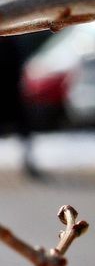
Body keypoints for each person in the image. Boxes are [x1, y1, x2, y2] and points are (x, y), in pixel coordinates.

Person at [0, 37, 39, 178]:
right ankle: (29, 163)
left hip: (12, 92)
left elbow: (20, 65)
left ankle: (29, 162)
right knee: (24, 128)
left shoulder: (11, 42)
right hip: (10, 92)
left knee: (24, 130)